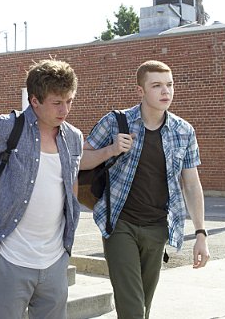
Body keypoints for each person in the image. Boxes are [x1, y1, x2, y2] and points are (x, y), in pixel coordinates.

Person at [80, 60, 210, 319]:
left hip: (158, 228)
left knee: (143, 307)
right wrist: (111, 150)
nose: (166, 91)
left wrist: (201, 234)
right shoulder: (115, 122)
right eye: (157, 85)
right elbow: (79, 160)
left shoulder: (183, 131)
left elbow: (191, 184)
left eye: (169, 85)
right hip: (119, 224)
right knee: (132, 309)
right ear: (140, 90)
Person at [0, 59, 82, 319]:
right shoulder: (5, 127)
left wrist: (66, 243)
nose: (65, 110)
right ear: (35, 101)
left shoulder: (73, 137)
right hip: (11, 257)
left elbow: (71, 184)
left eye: (69, 101)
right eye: (57, 102)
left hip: (55, 259)